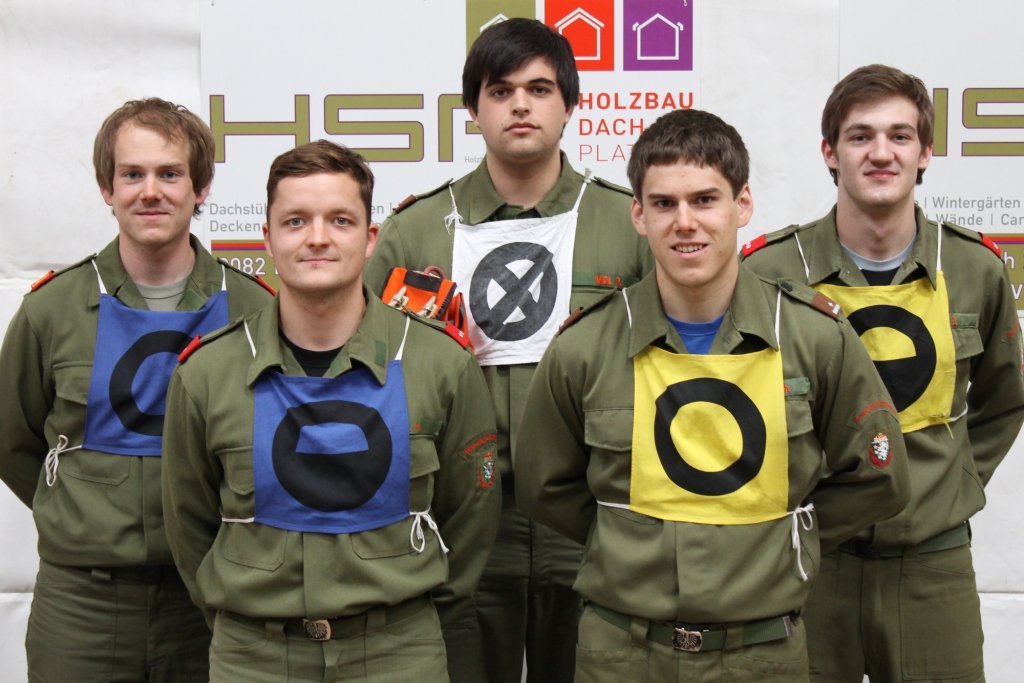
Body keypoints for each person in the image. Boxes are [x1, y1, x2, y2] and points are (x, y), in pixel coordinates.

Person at [515, 108, 912, 683]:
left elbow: (879, 479)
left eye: (704, 200)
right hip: (621, 654)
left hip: (763, 655)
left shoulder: (814, 337)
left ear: (742, 204)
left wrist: (779, 542)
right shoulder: (584, 347)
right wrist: (635, 541)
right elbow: (543, 485)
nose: (685, 223)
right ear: (638, 214)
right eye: (663, 203)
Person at [364, 17, 653, 683]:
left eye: (539, 89)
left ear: (570, 104)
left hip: (592, 512)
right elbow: (366, 364)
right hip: (463, 515)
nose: (520, 105)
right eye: (500, 91)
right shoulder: (414, 232)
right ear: (473, 110)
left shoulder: (630, 223)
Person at [162, 140, 501, 683]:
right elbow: (189, 526)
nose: (317, 237)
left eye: (340, 220)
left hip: (399, 657)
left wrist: (407, 622)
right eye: (295, 221)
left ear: (370, 239)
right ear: (267, 238)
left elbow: (470, 519)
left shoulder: (440, 364)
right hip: (254, 660)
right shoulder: (206, 374)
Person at [741, 64, 1024, 683]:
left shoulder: (975, 268)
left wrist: (949, 480)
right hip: (811, 560)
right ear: (830, 153)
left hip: (933, 566)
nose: (880, 152)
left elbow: (1004, 400)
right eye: (860, 136)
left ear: (925, 153)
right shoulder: (769, 272)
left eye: (900, 136)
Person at [0, 98, 274, 682]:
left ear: (200, 188)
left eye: (170, 174)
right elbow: (12, 441)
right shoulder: (51, 311)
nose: (151, 192)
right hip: (82, 607)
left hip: (212, 597)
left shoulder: (256, 311)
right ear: (108, 187)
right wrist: (82, 511)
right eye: (133, 174)